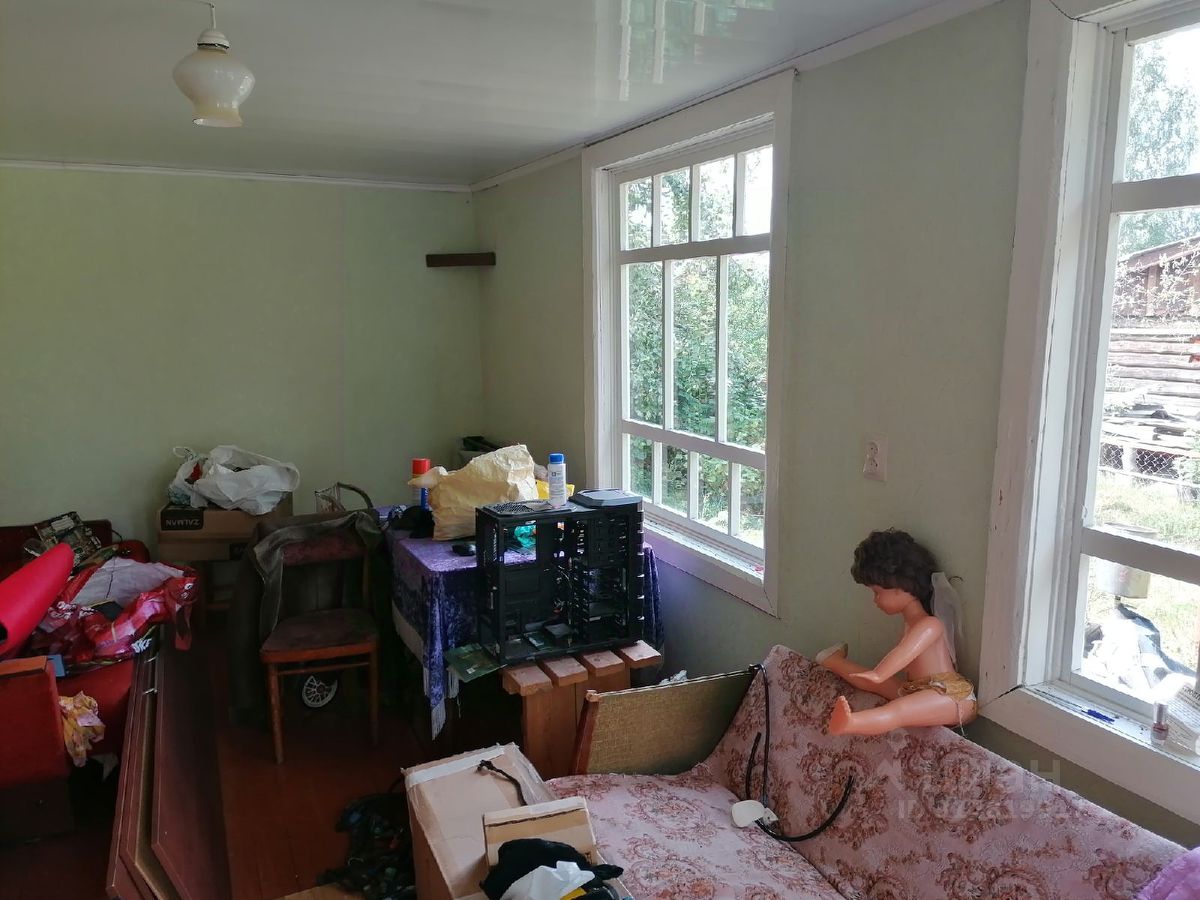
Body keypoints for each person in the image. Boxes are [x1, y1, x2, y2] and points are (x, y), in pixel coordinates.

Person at [818, 529, 976, 736]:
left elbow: (903, 653)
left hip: (952, 697)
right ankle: (832, 660)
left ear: (899, 586)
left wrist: (879, 673)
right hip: (916, 689)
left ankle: (851, 722)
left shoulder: (930, 625)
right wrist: (876, 678)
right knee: (877, 685)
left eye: (877, 592)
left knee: (897, 710)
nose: (875, 600)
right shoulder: (911, 623)